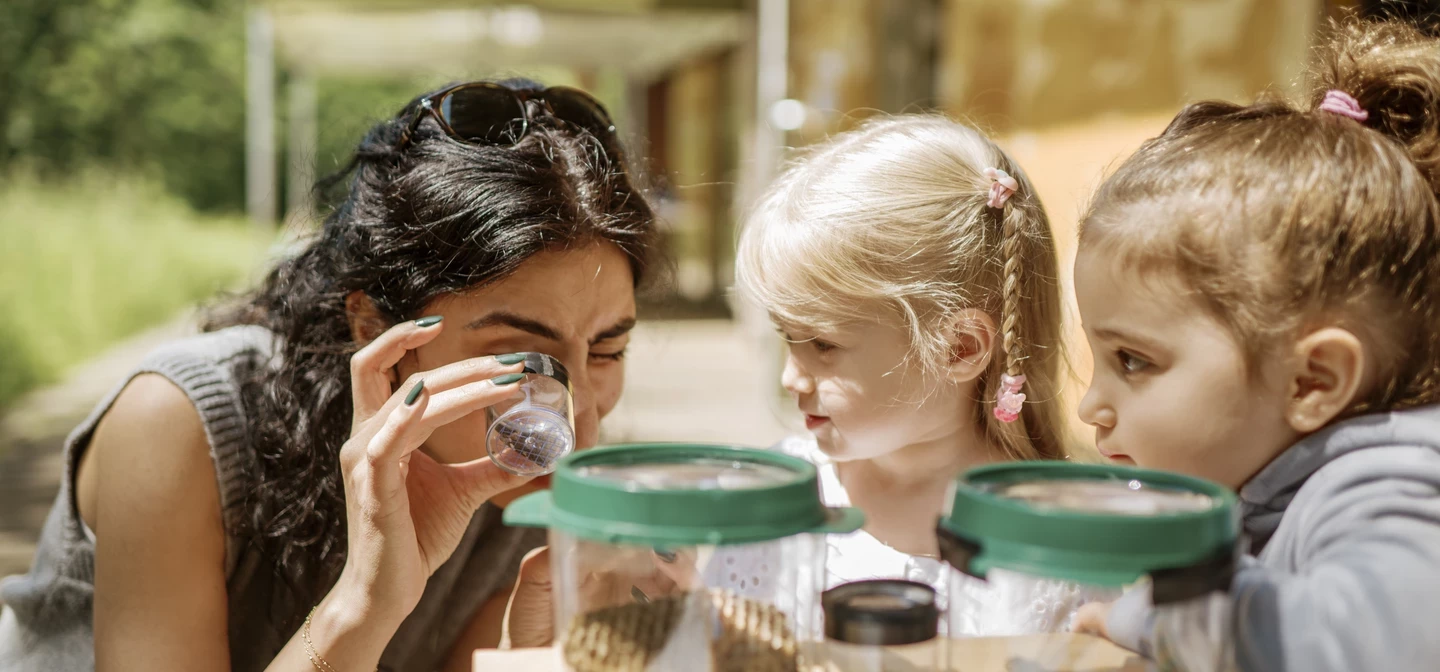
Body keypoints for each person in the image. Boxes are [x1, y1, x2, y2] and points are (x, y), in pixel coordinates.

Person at [0, 79, 659, 671]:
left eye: (607, 352)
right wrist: (365, 602)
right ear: (375, 328)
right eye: (524, 360)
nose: (579, 416)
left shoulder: (520, 484)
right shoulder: (176, 423)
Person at [1068, 20, 1440, 671]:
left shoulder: (1387, 482)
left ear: (1312, 381)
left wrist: (1170, 616)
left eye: (1134, 360)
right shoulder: (1264, 481)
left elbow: (1388, 640)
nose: (1091, 407)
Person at [730, 114, 1088, 634]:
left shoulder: (1057, 543)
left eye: (824, 345)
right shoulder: (779, 495)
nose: (792, 378)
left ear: (959, 348)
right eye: (788, 338)